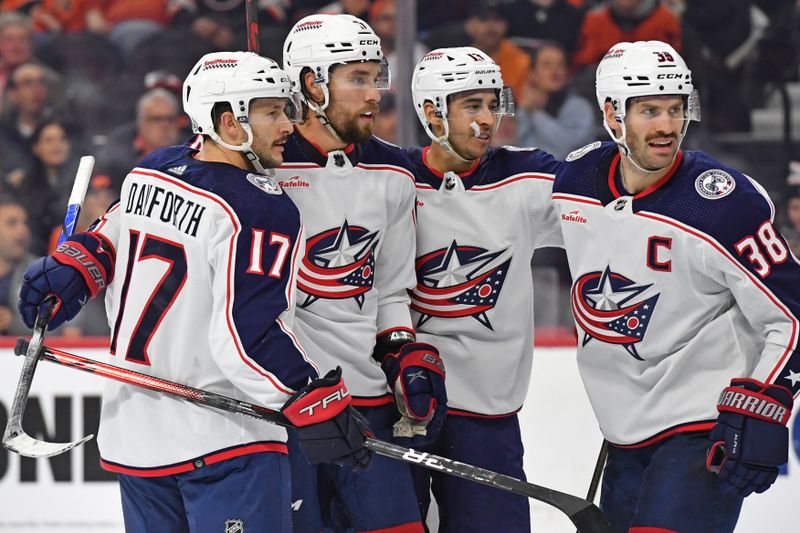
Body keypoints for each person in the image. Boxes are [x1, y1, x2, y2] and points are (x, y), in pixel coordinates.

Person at [17, 50, 371, 533]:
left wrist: (76, 267)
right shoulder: (259, 207)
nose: (288, 124)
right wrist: (309, 393)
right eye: (271, 111)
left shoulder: (152, 170)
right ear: (229, 122)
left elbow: (110, 238)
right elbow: (245, 337)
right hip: (224, 441)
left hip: (134, 437)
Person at [552, 40, 800, 532]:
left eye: (675, 109)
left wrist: (764, 403)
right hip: (623, 432)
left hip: (701, 426)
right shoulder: (575, 181)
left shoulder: (721, 203)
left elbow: (792, 312)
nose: (667, 126)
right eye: (649, 111)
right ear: (612, 114)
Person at [277, 14, 447, 533]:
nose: (375, 93)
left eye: (377, 77)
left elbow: (390, 290)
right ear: (312, 84)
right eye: (358, 79)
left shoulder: (394, 173)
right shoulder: (262, 170)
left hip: (365, 405)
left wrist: (403, 352)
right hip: (284, 408)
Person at [405, 46, 562, 532]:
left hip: (487, 414)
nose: (487, 120)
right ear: (432, 111)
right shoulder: (387, 179)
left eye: (493, 104)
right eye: (471, 106)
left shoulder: (528, 177)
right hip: (399, 403)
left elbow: (611, 213)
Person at [515, 41, 595, 159]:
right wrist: (524, 110)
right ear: (532, 73)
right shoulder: (525, 106)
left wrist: (535, 113)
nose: (555, 71)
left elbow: (568, 148)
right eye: (546, 65)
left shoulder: (580, 107)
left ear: (566, 72)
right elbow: (511, 145)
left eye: (560, 64)